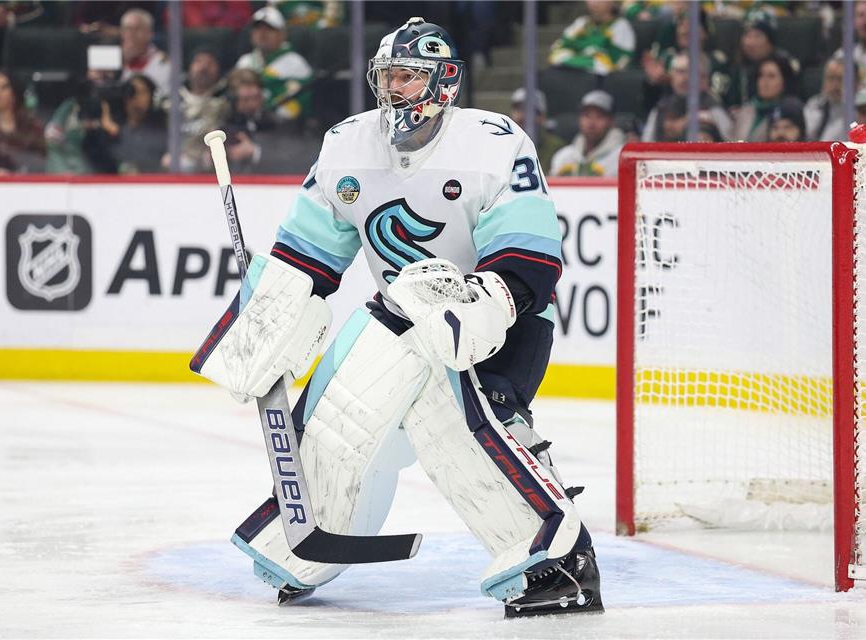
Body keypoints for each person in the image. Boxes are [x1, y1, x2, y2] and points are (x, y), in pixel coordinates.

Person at [193, 17, 602, 617]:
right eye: (387, 78)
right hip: (401, 323)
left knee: (463, 420)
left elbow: (530, 260)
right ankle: (311, 535)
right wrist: (266, 322)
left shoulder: (494, 141)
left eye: (409, 77)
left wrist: (482, 305)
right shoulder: (347, 146)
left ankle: (558, 560)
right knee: (337, 413)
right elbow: (305, 259)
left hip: (500, 324)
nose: (394, 91)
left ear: (444, 83)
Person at [235, 6, 313, 122]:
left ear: (282, 34)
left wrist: (262, 103)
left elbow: (299, 104)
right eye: (257, 28)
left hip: (282, 131)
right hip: (243, 123)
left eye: (269, 29)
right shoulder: (244, 61)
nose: (262, 33)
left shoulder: (296, 63)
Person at [640, 52, 733, 142]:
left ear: (704, 78)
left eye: (691, 72)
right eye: (680, 72)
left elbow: (733, 143)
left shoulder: (713, 107)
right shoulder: (661, 107)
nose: (685, 78)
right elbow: (646, 144)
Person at [170, 48, 229, 173]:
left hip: (210, 174)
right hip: (171, 175)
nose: (204, 67)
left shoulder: (227, 104)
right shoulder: (170, 102)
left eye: (210, 63)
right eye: (199, 62)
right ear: (189, 67)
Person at [0, 69, 45, 173]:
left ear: (14, 91)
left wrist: (14, 175)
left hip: (26, 185)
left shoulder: (32, 125)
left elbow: (42, 162)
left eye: (4, 87)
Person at [548, 0, 635, 76]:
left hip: (603, 84)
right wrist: (587, 61)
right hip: (573, 78)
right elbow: (556, 52)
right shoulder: (581, 23)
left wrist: (573, 60)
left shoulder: (621, 26)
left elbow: (610, 66)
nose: (593, 2)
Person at [550, 90, 624, 177]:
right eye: (587, 115)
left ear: (611, 122)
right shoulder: (563, 157)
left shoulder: (621, 158)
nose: (591, 123)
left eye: (599, 116)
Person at [732, 53, 797, 142]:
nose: (764, 82)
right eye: (761, 75)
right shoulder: (746, 110)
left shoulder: (792, 111)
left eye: (771, 76)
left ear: (785, 81)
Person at [113, 74, 167, 174]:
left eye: (142, 92)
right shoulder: (113, 126)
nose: (136, 97)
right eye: (132, 92)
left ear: (151, 96)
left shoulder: (161, 129)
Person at [509, 87, 565, 173]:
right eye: (518, 109)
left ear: (542, 116)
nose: (521, 116)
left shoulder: (556, 147)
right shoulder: (506, 143)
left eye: (528, 110)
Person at [118, 8, 172, 97]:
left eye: (137, 29)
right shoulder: (112, 58)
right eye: (127, 29)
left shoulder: (163, 63)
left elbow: (160, 96)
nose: (131, 34)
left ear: (150, 34)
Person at [804, 57, 857, 142]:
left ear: (854, 82)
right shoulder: (813, 104)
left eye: (840, 79)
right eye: (830, 78)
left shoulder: (856, 111)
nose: (835, 85)